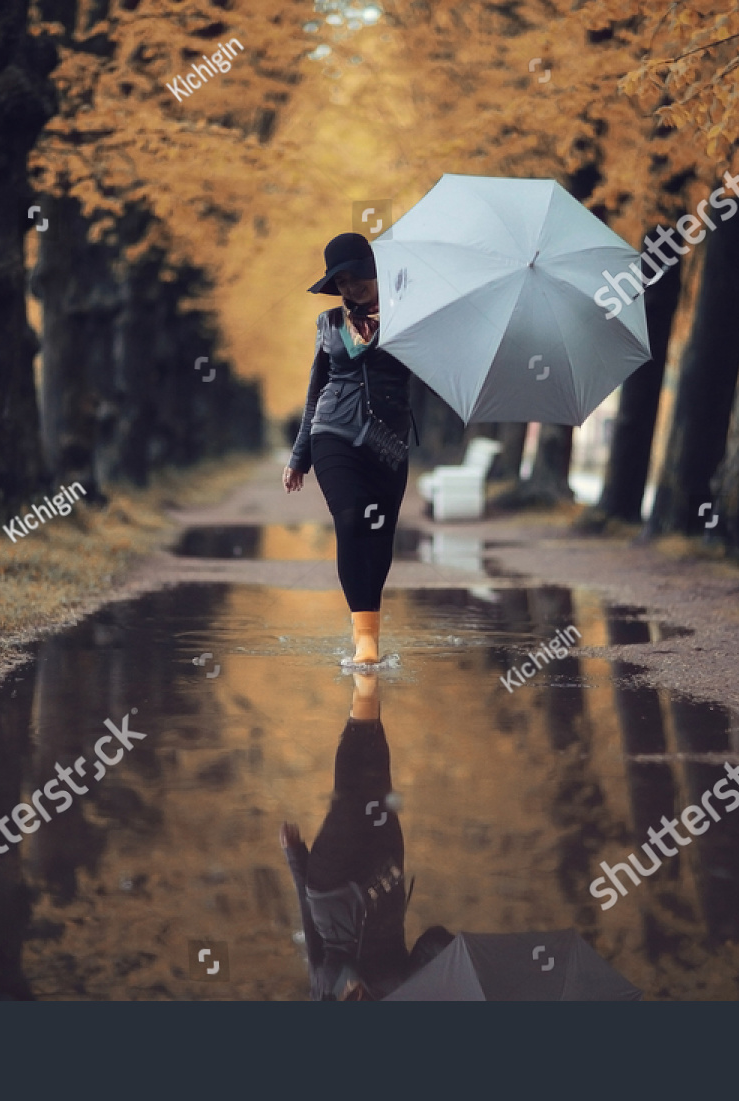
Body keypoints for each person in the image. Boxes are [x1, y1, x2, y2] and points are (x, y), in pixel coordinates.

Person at [283, 232, 414, 666]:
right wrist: (300, 455)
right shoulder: (329, 324)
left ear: (375, 272)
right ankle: (364, 641)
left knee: (379, 535)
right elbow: (315, 389)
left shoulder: (408, 318)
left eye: (356, 278)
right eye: (340, 283)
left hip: (388, 443)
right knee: (351, 517)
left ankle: (370, 625)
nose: (350, 289)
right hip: (333, 433)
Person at [279, 674, 452, 1000]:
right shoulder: (403, 994)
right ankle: (366, 681)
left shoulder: (322, 996)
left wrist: (295, 858)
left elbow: (314, 944)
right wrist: (455, 954)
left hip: (332, 888)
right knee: (376, 767)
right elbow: (432, 941)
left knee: (349, 797)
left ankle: (365, 679)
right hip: (383, 871)